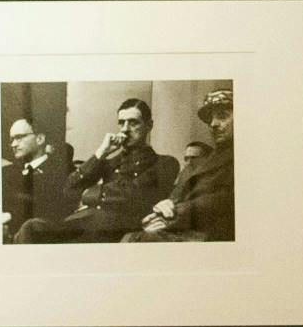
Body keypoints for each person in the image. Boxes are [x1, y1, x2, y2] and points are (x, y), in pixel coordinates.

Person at [64, 96, 177, 242]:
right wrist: (102, 151)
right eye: (121, 123)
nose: (125, 129)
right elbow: (70, 189)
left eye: (133, 123)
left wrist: (89, 194)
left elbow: (133, 194)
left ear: (149, 126)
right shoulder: (109, 162)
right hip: (83, 224)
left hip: (114, 232)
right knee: (32, 226)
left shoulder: (165, 163)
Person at [129, 86, 235, 242]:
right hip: (184, 228)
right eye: (210, 119)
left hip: (213, 236)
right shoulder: (205, 161)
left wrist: (171, 216)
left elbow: (224, 200)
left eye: (222, 116)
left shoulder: (246, 157)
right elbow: (178, 194)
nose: (213, 124)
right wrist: (165, 205)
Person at [2, 116, 88, 241]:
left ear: (40, 139)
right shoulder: (6, 172)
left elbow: (52, 209)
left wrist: (9, 216)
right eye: (12, 140)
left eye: (19, 138)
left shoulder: (60, 172)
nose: (14, 144)